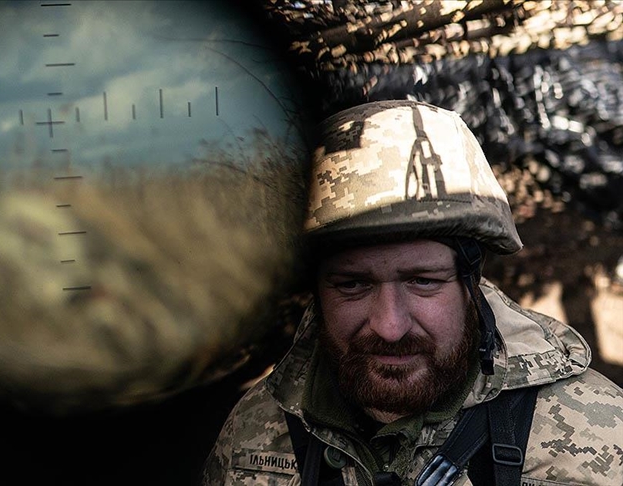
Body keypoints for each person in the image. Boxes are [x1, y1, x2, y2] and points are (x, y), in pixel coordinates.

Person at [200, 100, 623, 486]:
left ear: (471, 281)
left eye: (422, 281)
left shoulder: (599, 438)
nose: (390, 327)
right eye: (352, 284)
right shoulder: (253, 433)